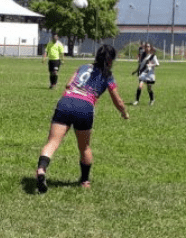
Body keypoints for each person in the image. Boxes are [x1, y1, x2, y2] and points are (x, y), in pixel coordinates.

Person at [35, 44, 129, 194]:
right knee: (84, 147)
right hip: (84, 107)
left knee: (52, 142)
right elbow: (117, 101)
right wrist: (124, 112)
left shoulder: (83, 67)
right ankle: (85, 180)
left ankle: (41, 170)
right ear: (111, 60)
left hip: (66, 101)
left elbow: (68, 84)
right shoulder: (108, 76)